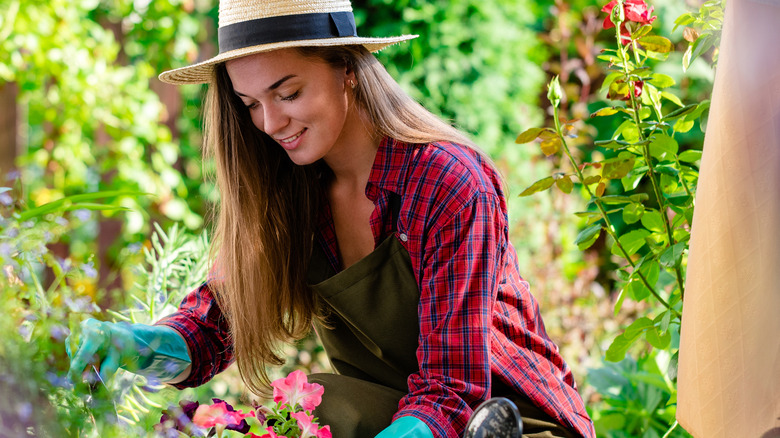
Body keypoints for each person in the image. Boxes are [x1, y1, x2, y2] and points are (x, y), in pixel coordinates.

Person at [67, 0, 596, 437]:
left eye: (288, 92)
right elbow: (212, 328)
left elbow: (453, 391)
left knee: (330, 408)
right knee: (321, 406)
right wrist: (134, 347)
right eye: (250, 103)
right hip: (391, 417)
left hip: (509, 423)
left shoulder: (447, 182)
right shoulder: (289, 191)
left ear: (346, 65)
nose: (270, 123)